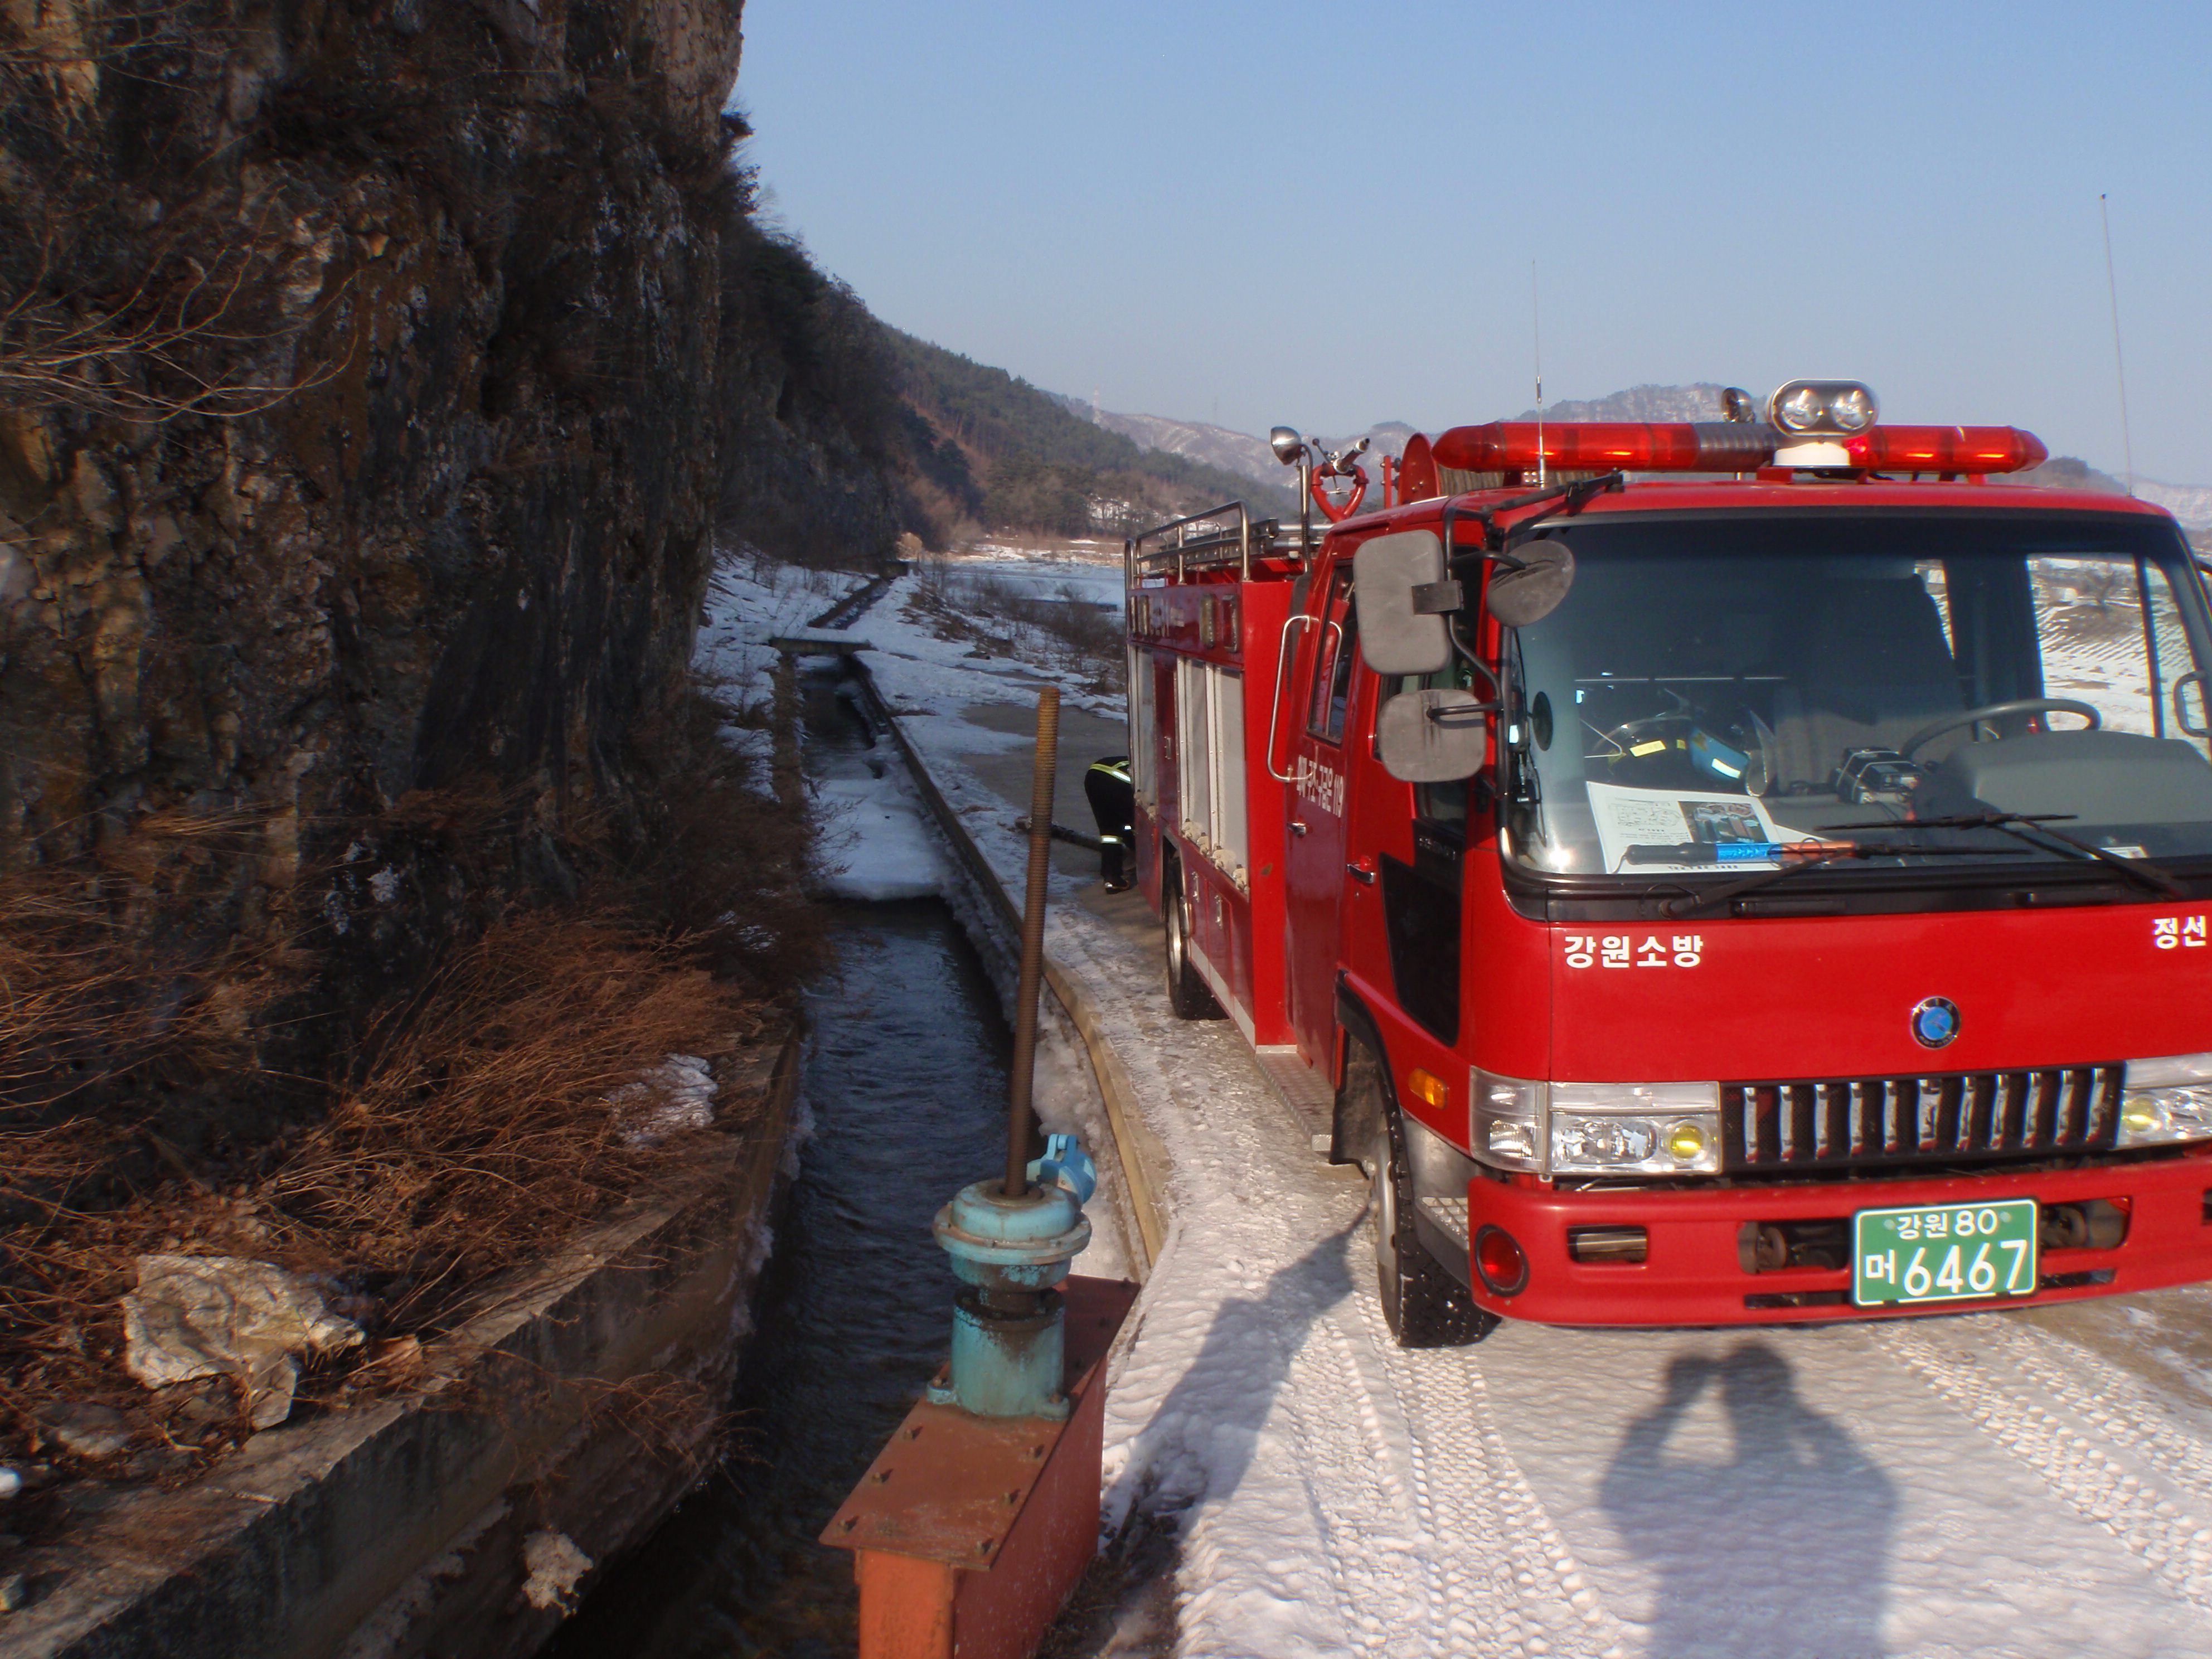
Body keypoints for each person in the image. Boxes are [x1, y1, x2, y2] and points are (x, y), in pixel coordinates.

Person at [1084, 755, 1134, 892]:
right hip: (1117, 783)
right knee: (1139, 824)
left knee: (1110, 832)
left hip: (1094, 775)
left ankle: (1112, 879)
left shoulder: (1143, 760)